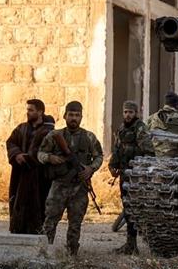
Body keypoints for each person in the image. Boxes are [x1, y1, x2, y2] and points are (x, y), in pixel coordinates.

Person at [38, 101, 103, 257]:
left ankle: (72, 255)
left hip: (79, 187)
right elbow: (40, 154)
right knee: (50, 221)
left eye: (77, 115)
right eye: (71, 115)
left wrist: (90, 169)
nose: (74, 118)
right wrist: (50, 158)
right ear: (65, 116)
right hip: (59, 185)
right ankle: (45, 253)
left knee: (75, 224)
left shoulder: (89, 137)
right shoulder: (55, 136)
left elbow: (99, 156)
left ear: (81, 117)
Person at [6, 99, 55, 234]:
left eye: (31, 110)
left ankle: (38, 234)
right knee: (18, 203)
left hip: (40, 177)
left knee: (39, 205)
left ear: (40, 112)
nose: (28, 113)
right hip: (20, 175)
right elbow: (10, 142)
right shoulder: (21, 128)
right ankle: (18, 231)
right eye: (27, 110)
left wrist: (26, 158)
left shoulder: (48, 132)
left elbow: (44, 151)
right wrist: (16, 155)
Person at [109, 100, 152, 254]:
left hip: (136, 176)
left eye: (131, 112)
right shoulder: (122, 128)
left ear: (136, 113)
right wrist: (112, 165)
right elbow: (117, 148)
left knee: (134, 209)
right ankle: (131, 244)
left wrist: (143, 172)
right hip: (125, 174)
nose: (128, 115)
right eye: (126, 112)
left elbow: (148, 151)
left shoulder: (140, 128)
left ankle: (135, 244)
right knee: (127, 209)